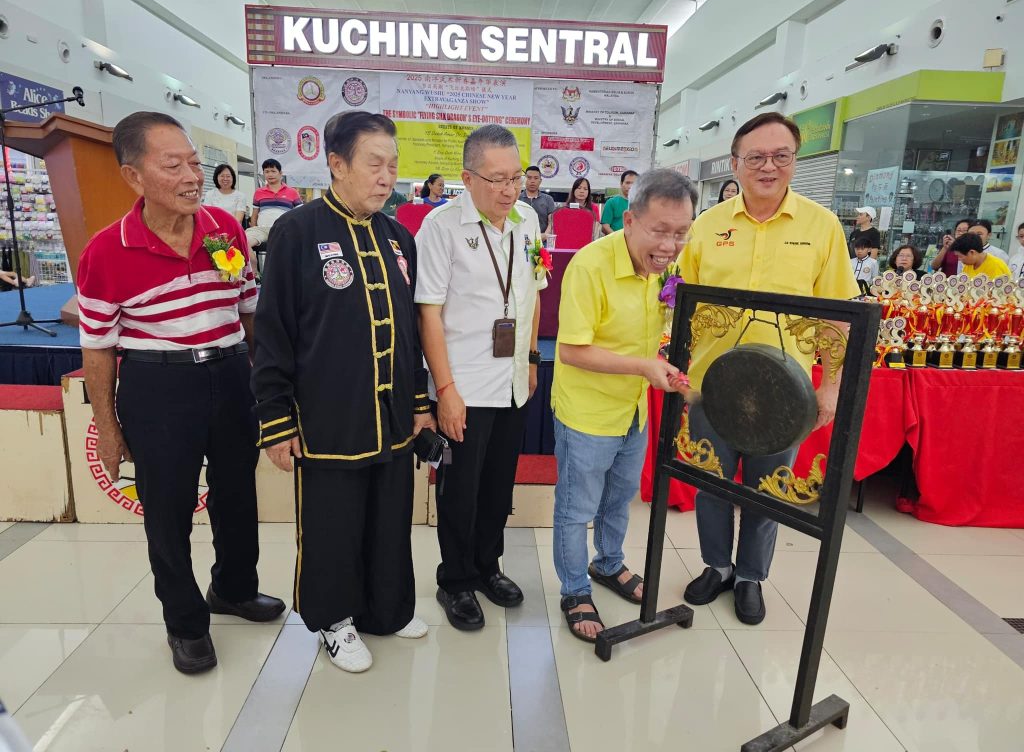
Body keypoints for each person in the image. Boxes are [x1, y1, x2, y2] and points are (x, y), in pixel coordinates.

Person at [77, 111, 285, 675]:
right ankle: (185, 623)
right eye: (174, 165)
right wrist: (109, 428)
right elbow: (96, 349)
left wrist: (266, 389)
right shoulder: (106, 251)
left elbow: (250, 312)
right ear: (134, 176)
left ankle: (235, 588)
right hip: (158, 385)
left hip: (231, 374)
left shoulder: (225, 229)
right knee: (167, 510)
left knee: (237, 492)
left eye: (194, 161)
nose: (193, 175)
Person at [251, 111, 434, 673]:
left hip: (393, 413)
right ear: (337, 164)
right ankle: (333, 621)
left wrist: (421, 404)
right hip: (328, 414)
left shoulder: (398, 236)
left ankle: (387, 609)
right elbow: (273, 332)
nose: (387, 177)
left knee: (388, 518)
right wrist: (277, 422)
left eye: (393, 166)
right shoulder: (298, 233)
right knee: (333, 525)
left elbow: (411, 334)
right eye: (374, 164)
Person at [679, 112, 859, 626]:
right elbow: (683, 306)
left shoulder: (821, 227)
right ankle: (716, 565)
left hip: (786, 392)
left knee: (766, 487)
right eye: (755, 156)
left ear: (795, 163)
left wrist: (830, 388)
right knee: (710, 481)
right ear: (735, 163)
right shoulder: (707, 227)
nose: (768, 166)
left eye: (781, 155)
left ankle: (751, 577)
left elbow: (838, 319)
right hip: (711, 385)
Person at [552, 169, 695, 642]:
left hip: (634, 410)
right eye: (660, 231)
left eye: (680, 232)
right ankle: (574, 590)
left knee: (619, 500)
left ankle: (608, 565)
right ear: (629, 220)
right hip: (588, 414)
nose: (670, 245)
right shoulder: (591, 267)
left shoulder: (665, 268)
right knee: (577, 508)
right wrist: (643, 367)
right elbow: (571, 349)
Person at [416, 125, 545, 631]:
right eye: (496, 179)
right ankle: (456, 580)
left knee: (497, 486)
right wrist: (443, 392)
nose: (509, 189)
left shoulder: (528, 221)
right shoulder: (441, 227)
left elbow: (531, 297)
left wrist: (532, 360)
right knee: (459, 489)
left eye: (515, 177)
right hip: (463, 386)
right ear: (467, 178)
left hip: (512, 381)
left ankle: (489, 566)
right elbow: (428, 314)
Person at [244, 159, 302, 250]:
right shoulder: (258, 192)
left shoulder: (292, 192)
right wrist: (254, 228)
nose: (270, 174)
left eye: (273, 171)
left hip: (284, 231)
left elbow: (300, 215)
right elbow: (254, 215)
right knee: (243, 243)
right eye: (267, 172)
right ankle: (254, 264)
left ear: (280, 173)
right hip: (262, 230)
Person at [520, 165, 556, 235]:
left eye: (536, 178)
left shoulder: (548, 199)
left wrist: (545, 236)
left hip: (542, 239)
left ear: (540, 181)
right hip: (520, 239)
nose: (532, 181)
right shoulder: (517, 198)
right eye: (529, 178)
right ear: (524, 179)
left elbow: (551, 221)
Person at [601, 170, 638, 235]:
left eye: (633, 184)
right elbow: (605, 226)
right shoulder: (611, 202)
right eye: (627, 183)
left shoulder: (643, 204)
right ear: (621, 184)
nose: (630, 186)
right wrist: (618, 239)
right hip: (615, 242)